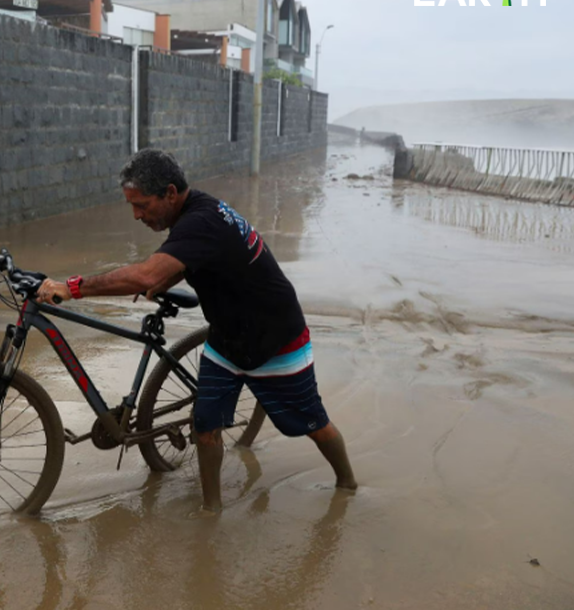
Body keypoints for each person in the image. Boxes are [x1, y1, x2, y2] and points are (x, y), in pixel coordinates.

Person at [36, 148, 357, 516]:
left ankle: (347, 484)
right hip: (226, 336)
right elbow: (194, 258)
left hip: (276, 339)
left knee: (312, 423)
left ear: (170, 193)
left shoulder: (202, 221)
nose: (136, 214)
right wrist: (167, 276)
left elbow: (146, 274)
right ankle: (211, 510)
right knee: (205, 425)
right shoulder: (195, 214)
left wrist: (72, 286)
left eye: (141, 205)